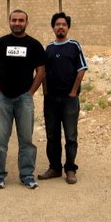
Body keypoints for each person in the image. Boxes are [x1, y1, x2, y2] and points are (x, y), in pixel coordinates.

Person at [0, 9, 45, 189]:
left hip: (24, 99)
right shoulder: (0, 43)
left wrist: (30, 93)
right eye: (14, 20)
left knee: (26, 140)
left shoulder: (34, 45)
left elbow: (41, 70)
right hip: (3, 98)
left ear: (27, 22)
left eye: (21, 20)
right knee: (0, 140)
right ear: (9, 21)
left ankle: (27, 175)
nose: (17, 23)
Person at [38, 12, 88, 184]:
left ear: (68, 28)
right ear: (53, 27)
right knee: (52, 135)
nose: (60, 27)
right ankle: (54, 168)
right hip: (51, 100)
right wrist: (45, 92)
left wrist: (73, 91)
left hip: (69, 99)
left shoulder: (74, 46)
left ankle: (70, 169)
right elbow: (42, 72)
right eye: (57, 24)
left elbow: (81, 69)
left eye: (64, 24)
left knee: (70, 136)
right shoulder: (49, 48)